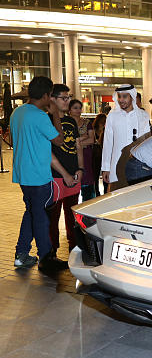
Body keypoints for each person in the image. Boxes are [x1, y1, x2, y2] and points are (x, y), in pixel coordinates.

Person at [11, 76, 69, 271]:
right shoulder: (41, 116)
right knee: (41, 216)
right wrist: (55, 115)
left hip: (23, 174)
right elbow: (59, 140)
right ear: (45, 95)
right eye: (50, 95)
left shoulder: (17, 113)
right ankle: (46, 257)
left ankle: (22, 253)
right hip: (38, 175)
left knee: (32, 212)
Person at [48, 84, 84, 255]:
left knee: (72, 214)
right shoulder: (46, 120)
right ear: (52, 99)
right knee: (53, 217)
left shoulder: (70, 121)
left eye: (68, 97)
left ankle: (74, 248)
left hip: (73, 175)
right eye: (64, 97)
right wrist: (65, 175)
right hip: (55, 176)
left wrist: (81, 168)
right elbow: (47, 153)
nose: (67, 101)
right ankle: (51, 252)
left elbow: (78, 147)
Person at [101, 84, 150, 191]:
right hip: (116, 164)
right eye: (119, 96)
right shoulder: (112, 116)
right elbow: (108, 142)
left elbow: (147, 142)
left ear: (132, 96)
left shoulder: (143, 115)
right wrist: (106, 168)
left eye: (124, 96)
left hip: (138, 165)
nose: (121, 100)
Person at [70, 99, 95, 201]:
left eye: (80, 108)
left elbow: (92, 139)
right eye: (75, 108)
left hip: (86, 156)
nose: (78, 110)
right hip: (71, 157)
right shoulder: (66, 123)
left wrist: (76, 143)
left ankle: (88, 212)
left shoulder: (87, 122)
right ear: (69, 110)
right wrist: (83, 137)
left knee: (87, 182)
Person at [91, 113, 106, 197]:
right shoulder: (94, 130)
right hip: (97, 155)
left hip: (101, 155)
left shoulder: (105, 130)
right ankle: (97, 192)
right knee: (95, 175)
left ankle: (100, 192)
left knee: (101, 175)